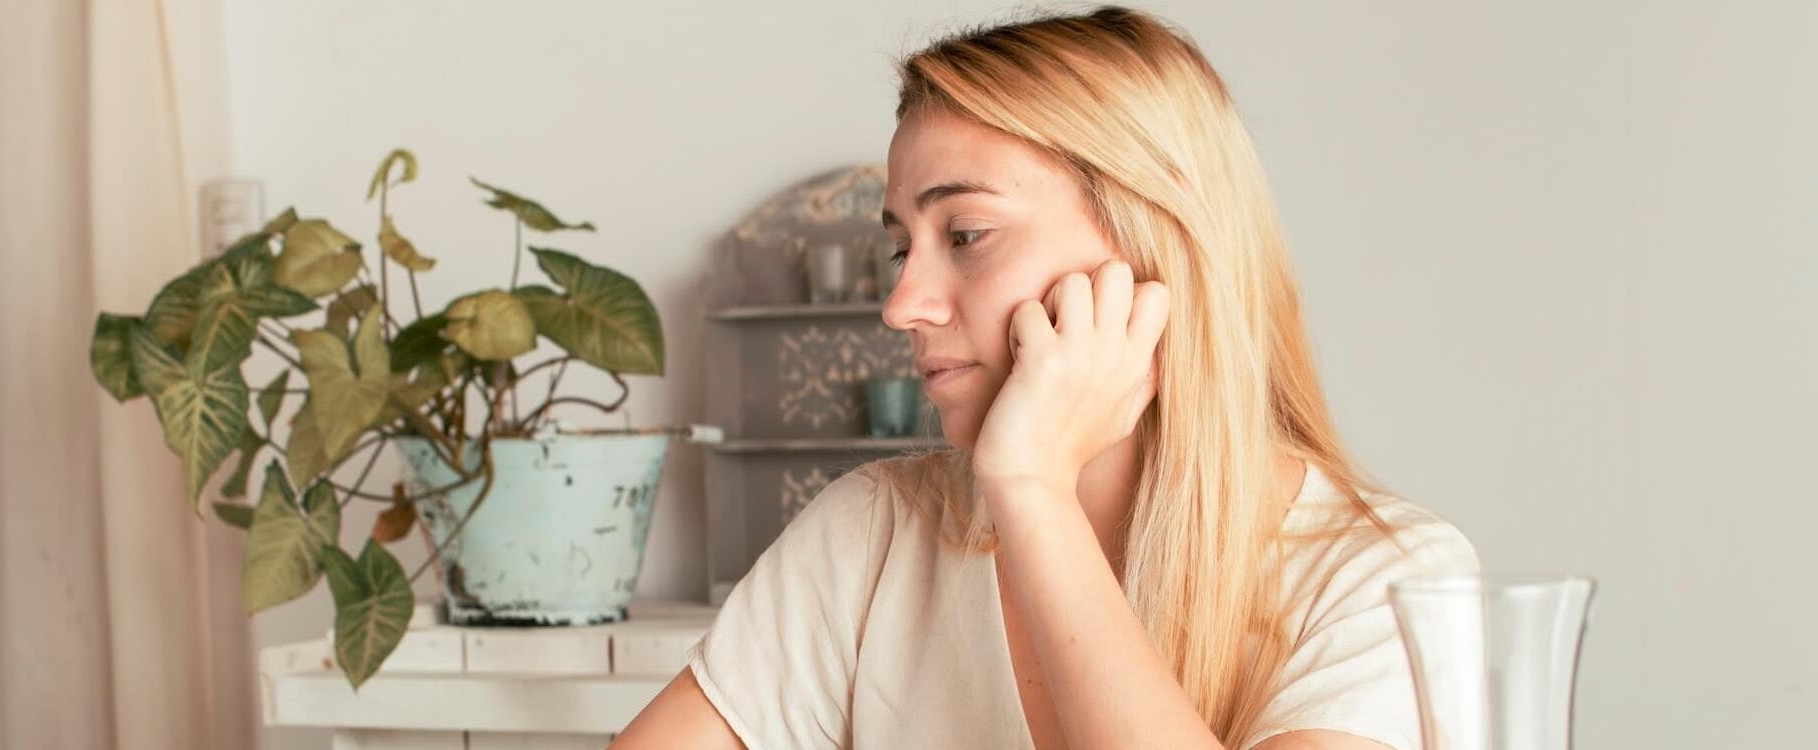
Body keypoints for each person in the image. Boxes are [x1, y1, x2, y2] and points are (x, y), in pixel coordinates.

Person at [614, 6, 1476, 749]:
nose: (902, 304)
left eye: (965, 236)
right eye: (898, 248)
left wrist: (1033, 489)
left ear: (1151, 240)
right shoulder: (871, 539)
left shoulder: (1383, 581)